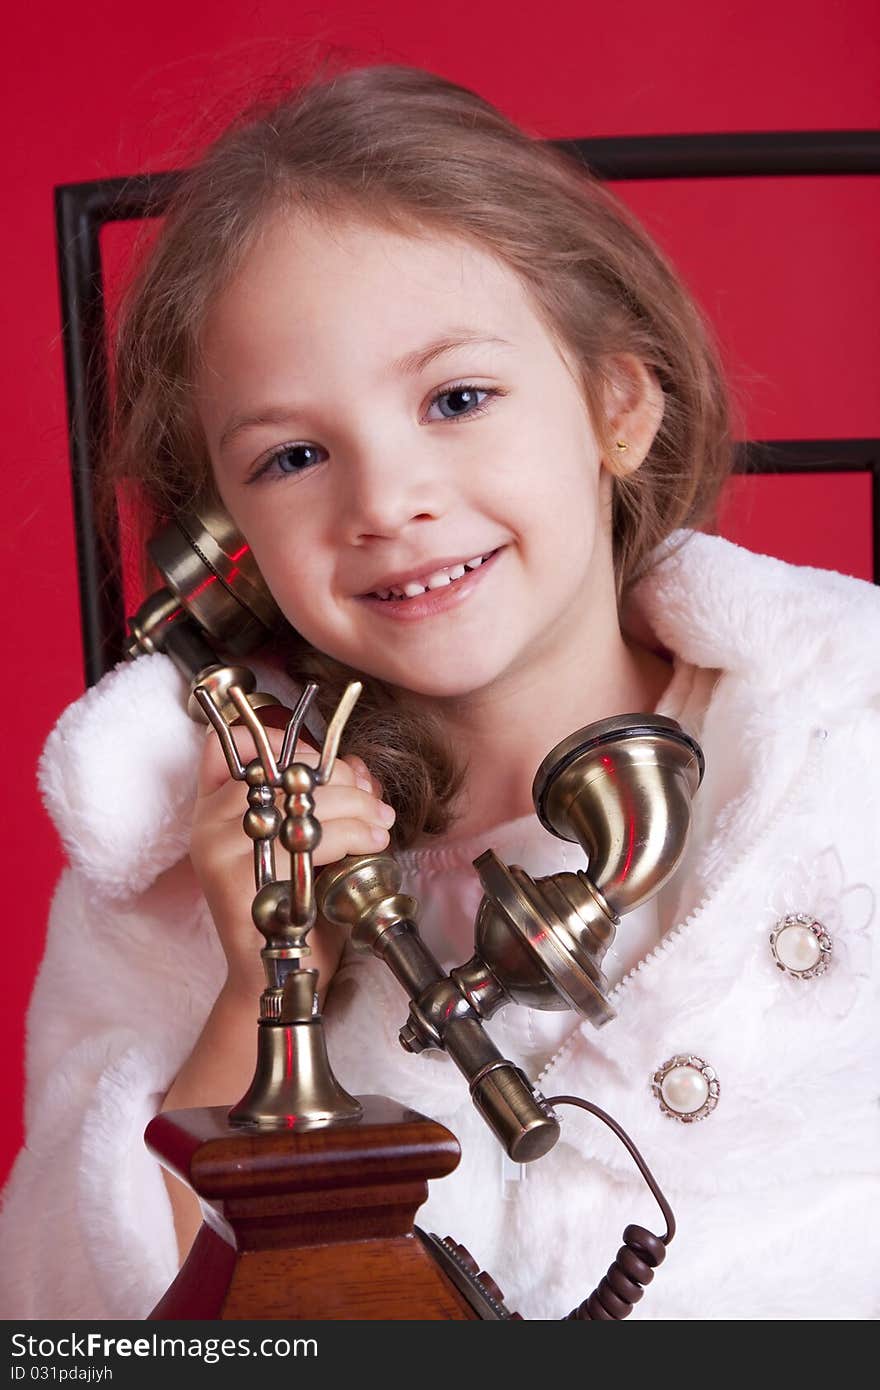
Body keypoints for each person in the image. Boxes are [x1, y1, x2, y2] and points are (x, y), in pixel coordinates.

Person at [2, 63, 878, 1322]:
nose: (383, 501)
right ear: (229, 536)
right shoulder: (183, 880)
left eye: (457, 399)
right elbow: (68, 1319)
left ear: (614, 405)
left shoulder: (839, 740)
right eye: (293, 456)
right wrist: (258, 982)